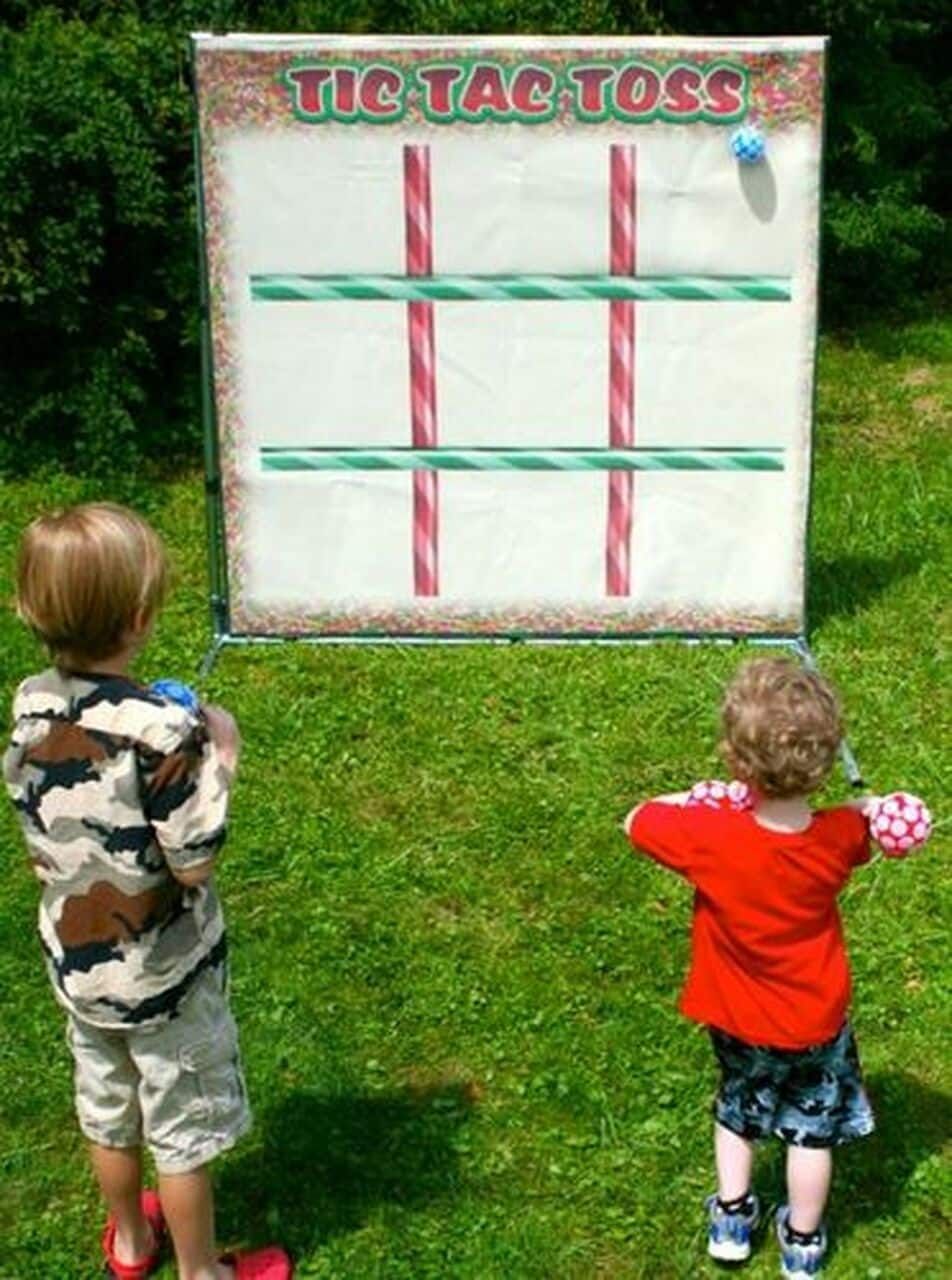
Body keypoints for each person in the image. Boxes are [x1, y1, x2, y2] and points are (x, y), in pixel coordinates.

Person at [4, 503, 291, 1280]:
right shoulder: (164, 733)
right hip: (163, 978)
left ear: (29, 610)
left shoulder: (30, 703)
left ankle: (131, 1244)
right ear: (139, 617)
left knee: (108, 1111)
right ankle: (204, 1274)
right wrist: (220, 753)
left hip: (80, 970)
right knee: (181, 1132)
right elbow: (192, 860)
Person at [624, 657, 876, 1278]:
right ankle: (802, 1244)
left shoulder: (707, 836)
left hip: (736, 1013)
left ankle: (732, 1219)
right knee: (811, 1133)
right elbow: (869, 831)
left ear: (739, 761)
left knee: (738, 1111)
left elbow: (637, 819)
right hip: (815, 1016)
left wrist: (702, 797)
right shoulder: (839, 836)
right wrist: (880, 809)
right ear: (821, 763)